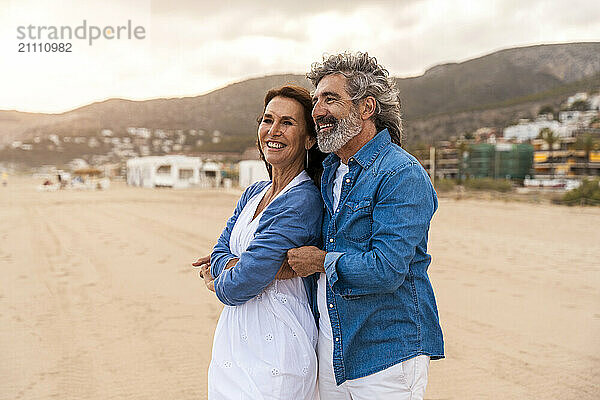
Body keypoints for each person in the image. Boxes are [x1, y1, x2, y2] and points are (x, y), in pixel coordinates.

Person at [287, 52, 444, 399]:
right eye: (315, 101)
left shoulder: (401, 174)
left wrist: (319, 261)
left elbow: (387, 269)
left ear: (366, 108)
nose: (317, 111)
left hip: (387, 353)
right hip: (334, 349)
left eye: (330, 99)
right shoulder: (329, 171)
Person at [193, 85, 326, 400]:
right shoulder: (254, 192)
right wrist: (237, 265)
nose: (273, 130)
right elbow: (221, 250)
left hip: (278, 343)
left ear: (309, 139)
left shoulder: (303, 199)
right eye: (268, 120)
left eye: (287, 123)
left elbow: (239, 285)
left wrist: (220, 278)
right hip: (234, 340)